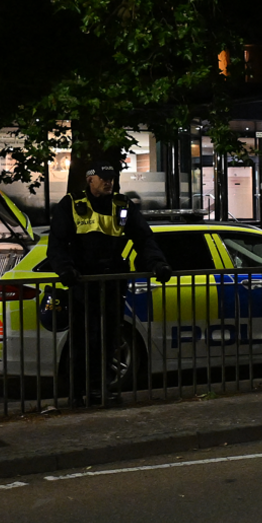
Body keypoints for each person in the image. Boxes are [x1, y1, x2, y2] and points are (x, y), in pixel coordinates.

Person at [47, 162, 172, 406]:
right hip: (83, 283)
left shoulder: (122, 205)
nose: (108, 182)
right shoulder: (72, 204)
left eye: (111, 178)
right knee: (83, 340)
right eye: (103, 178)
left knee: (108, 340)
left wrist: (158, 264)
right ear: (89, 179)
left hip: (113, 282)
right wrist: (64, 269)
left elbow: (144, 239)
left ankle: (100, 390)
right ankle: (76, 393)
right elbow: (57, 244)